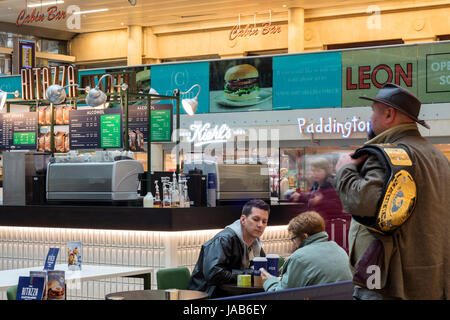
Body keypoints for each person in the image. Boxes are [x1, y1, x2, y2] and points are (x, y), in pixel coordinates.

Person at [334, 83, 450, 300]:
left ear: (389, 114)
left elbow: (364, 201)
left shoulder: (386, 155)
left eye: (373, 112)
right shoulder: (439, 158)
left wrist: (344, 171)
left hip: (390, 283)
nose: (370, 120)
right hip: (432, 282)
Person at [187, 199, 269, 297]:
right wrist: (251, 273)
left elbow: (261, 270)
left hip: (236, 295)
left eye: (264, 221)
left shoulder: (256, 243)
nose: (261, 225)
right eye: (256, 219)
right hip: (208, 295)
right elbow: (214, 274)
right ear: (243, 220)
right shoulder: (224, 239)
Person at [260, 211, 352, 291]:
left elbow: (281, 296)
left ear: (305, 236)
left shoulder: (299, 258)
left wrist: (269, 280)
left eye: (293, 239)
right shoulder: (339, 249)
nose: (294, 244)